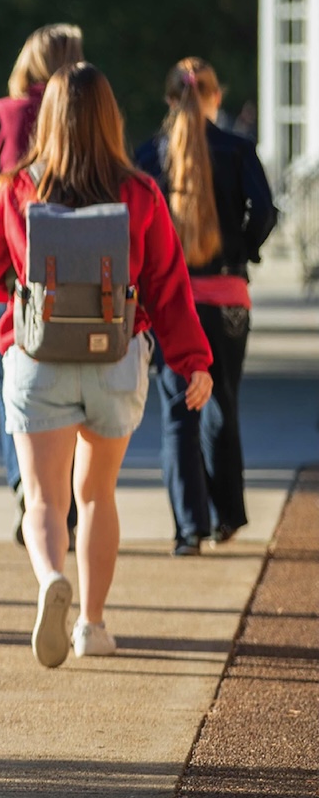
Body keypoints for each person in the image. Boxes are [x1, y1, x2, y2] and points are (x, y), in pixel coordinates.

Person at [0, 64, 213, 667]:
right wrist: (193, 360)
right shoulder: (140, 193)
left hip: (37, 357)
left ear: (46, 118)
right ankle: (93, 625)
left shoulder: (19, 188)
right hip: (115, 359)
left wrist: (22, 289)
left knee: (45, 501)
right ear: (110, 118)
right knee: (97, 494)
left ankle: (50, 578)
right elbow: (168, 286)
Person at [134, 59, 276, 556]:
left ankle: (188, 529)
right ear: (216, 97)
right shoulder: (237, 149)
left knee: (178, 412)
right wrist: (243, 249)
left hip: (172, 302)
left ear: (170, 99)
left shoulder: (150, 156)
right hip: (228, 297)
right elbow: (264, 210)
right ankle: (228, 515)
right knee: (223, 404)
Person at [0, 24, 84, 543]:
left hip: (15, 270)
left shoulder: (2, 113)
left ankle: (25, 481)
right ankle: (70, 488)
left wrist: (8, 235)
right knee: (80, 375)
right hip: (82, 269)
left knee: (10, 377)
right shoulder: (85, 114)